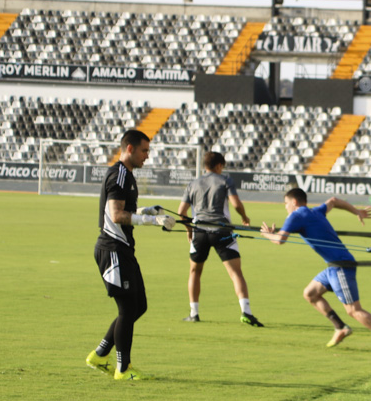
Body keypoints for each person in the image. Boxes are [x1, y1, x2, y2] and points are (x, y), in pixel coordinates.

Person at [260, 188, 371, 355]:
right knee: (310, 293)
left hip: (340, 266)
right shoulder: (315, 212)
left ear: (294, 202)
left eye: (285, 203)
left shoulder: (296, 215)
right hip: (333, 266)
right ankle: (341, 328)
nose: (285, 207)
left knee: (353, 310)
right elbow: (333, 200)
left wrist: (266, 234)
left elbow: (280, 240)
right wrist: (356, 211)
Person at [85, 129, 176, 380]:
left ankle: (100, 354)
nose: (147, 155)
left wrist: (147, 210)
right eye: (144, 150)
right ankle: (122, 369)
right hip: (112, 249)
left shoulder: (129, 176)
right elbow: (116, 216)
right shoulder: (120, 175)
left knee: (139, 306)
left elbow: (125, 211)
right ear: (130, 149)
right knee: (127, 308)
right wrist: (153, 219)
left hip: (123, 249)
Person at [177, 151, 262, 327]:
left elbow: (181, 212)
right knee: (235, 273)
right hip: (222, 231)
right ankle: (246, 311)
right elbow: (236, 204)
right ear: (218, 166)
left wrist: (188, 230)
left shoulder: (192, 184)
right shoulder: (225, 181)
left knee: (195, 271)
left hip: (199, 232)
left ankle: (194, 312)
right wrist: (244, 217)